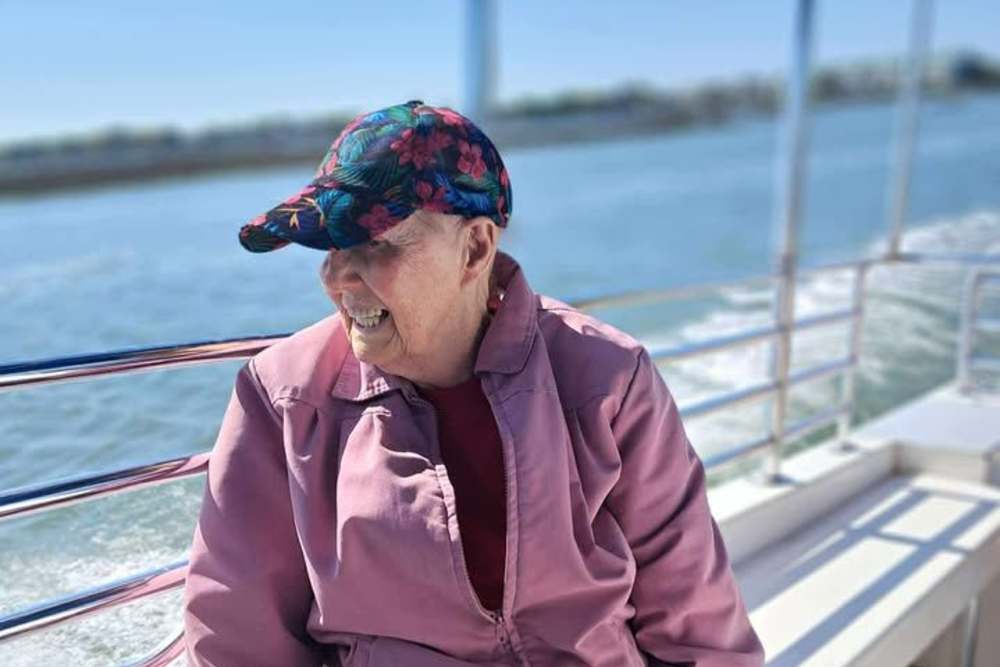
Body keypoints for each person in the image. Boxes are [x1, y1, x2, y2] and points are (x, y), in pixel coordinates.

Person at [182, 99, 764, 666]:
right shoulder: (283, 401)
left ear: (476, 247)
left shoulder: (606, 380)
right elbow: (239, 642)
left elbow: (700, 629)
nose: (338, 277)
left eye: (372, 243)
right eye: (329, 247)